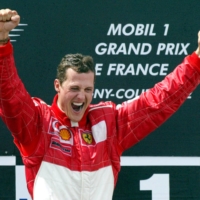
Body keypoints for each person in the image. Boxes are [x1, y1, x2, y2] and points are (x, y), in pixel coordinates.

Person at [0, 8, 200, 200]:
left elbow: (158, 102)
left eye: (88, 90)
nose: (81, 97)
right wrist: (2, 43)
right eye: (75, 88)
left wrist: (197, 60)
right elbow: (10, 95)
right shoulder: (38, 124)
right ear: (57, 86)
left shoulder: (108, 123)